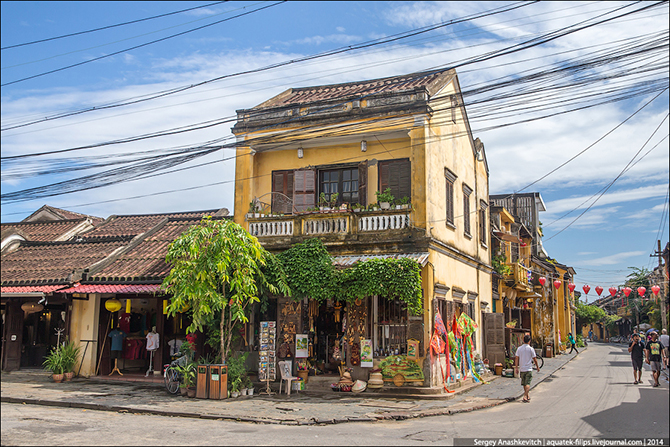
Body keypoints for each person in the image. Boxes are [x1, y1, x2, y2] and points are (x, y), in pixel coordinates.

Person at [514, 334, 540, 403]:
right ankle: (525, 396)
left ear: (523, 340)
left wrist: (516, 367)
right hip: (528, 368)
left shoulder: (519, 349)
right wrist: (537, 367)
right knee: (528, 383)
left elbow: (516, 358)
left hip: (522, 368)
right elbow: (535, 359)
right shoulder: (531, 349)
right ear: (529, 341)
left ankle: (527, 395)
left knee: (524, 383)